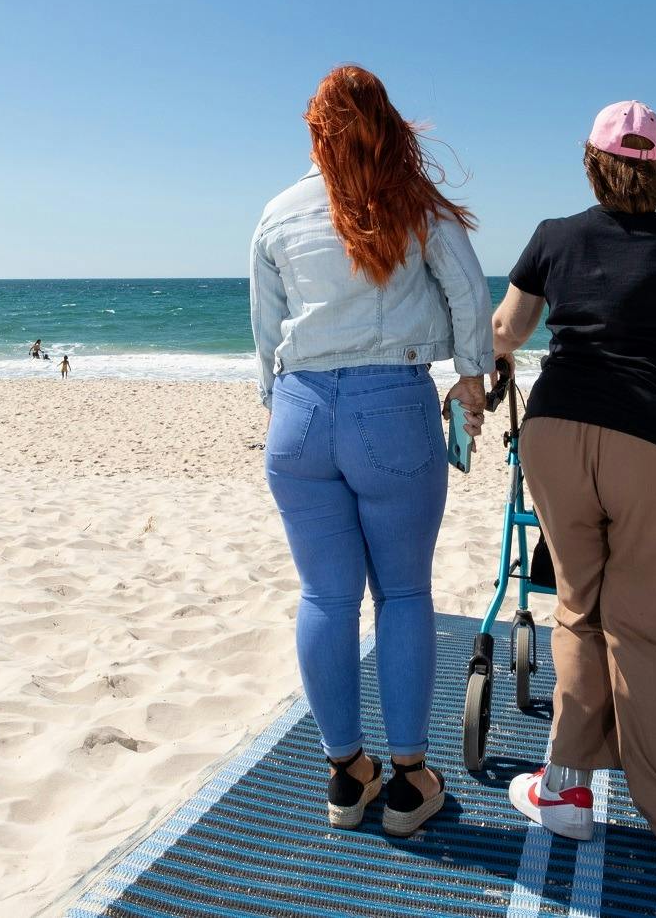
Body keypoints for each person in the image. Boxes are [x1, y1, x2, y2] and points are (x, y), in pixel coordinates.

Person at [494, 100, 656, 878]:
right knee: (648, 627)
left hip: (559, 432)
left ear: (592, 160)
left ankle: (567, 793)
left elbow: (505, 332)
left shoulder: (553, 237)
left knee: (578, 609)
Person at [250, 65, 493, 838]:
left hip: (298, 412)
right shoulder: (411, 203)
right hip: (390, 406)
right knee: (402, 594)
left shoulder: (278, 213)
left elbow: (266, 334)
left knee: (325, 596)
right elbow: (467, 294)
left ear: (315, 131)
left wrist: (282, 404)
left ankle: (345, 773)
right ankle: (409, 778)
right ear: (386, 122)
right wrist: (472, 377)